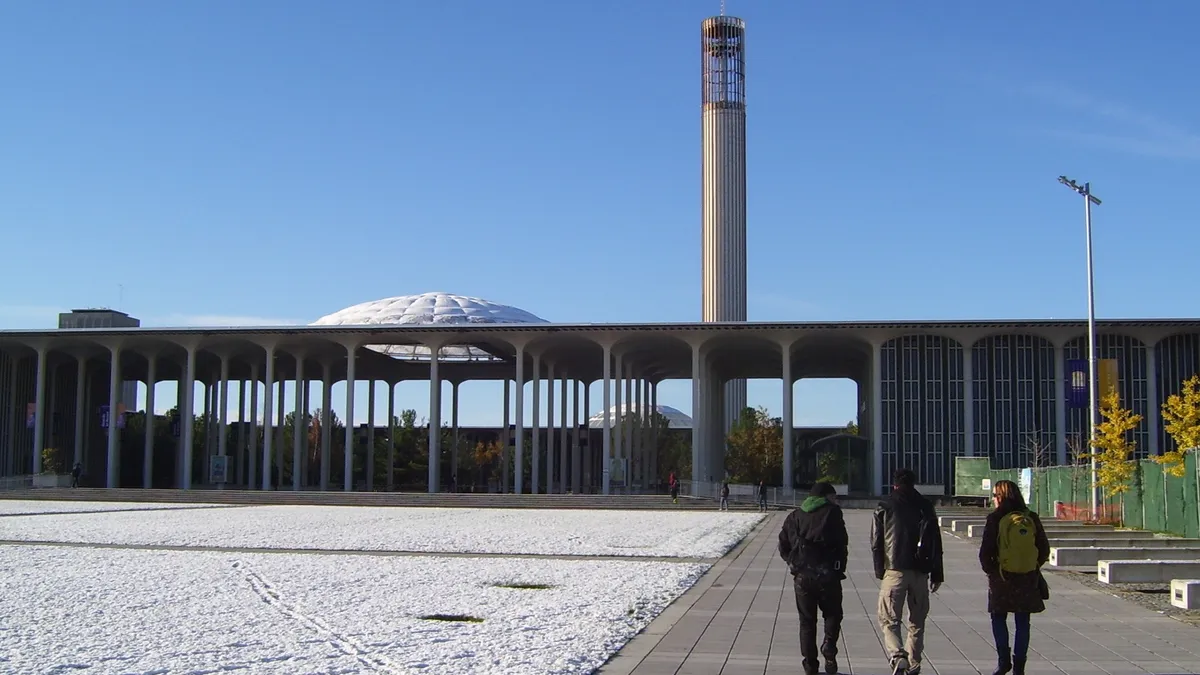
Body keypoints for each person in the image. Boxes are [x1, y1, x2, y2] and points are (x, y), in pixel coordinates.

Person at [871, 468, 944, 675]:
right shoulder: (926, 506)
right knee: (917, 621)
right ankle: (914, 663)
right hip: (920, 571)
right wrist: (937, 573)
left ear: (894, 484)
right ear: (914, 484)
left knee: (888, 618)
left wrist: (880, 570)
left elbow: (876, 542)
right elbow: (935, 542)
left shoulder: (885, 505)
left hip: (894, 569)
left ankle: (897, 655)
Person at [978, 479, 1050, 675]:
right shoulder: (1030, 517)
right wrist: (1032, 566)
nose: (993, 499)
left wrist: (993, 571)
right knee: (1022, 622)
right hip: (1027, 577)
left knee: (998, 618)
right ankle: (1019, 667)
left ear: (1000, 497)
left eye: (994, 495)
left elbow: (985, 553)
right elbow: (1044, 549)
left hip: (1001, 577)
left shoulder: (995, 518)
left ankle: (1003, 662)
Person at [778, 482, 848, 675]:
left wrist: (793, 563)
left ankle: (810, 666)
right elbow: (842, 543)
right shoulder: (833, 513)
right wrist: (839, 567)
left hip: (803, 577)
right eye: (833, 497)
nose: (835, 501)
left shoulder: (795, 516)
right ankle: (829, 646)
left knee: (807, 622)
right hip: (828, 576)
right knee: (833, 614)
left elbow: (783, 544)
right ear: (825, 497)